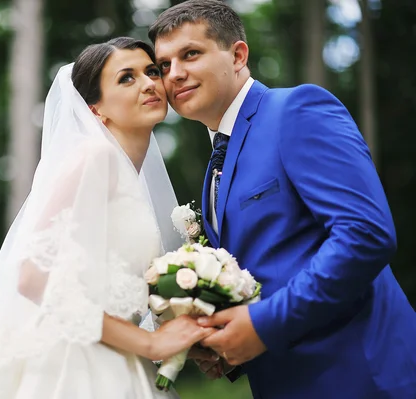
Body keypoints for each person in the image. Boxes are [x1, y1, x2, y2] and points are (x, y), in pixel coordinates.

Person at [149, 1, 416, 398]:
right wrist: (227, 344)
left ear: (238, 55)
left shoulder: (296, 110)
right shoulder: (216, 166)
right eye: (164, 65)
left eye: (190, 54)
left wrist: (262, 324)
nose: (175, 74)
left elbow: (365, 234)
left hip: (363, 375)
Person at [0, 37, 214, 399]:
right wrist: (149, 344)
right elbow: (31, 278)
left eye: (151, 71)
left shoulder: (129, 180)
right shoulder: (94, 157)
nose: (150, 83)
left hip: (119, 362)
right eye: (126, 78)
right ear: (95, 110)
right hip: (75, 370)